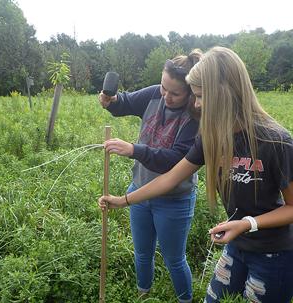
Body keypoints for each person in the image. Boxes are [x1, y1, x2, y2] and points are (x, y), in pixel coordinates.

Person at [99, 47, 293, 303]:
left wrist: (247, 224)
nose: (197, 104)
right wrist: (123, 200)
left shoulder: (275, 142)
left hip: (274, 252)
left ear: (224, 93)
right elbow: (170, 177)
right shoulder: (212, 137)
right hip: (237, 245)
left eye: (200, 96)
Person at [98, 49, 202, 303]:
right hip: (140, 190)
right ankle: (143, 295)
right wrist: (110, 101)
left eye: (174, 93)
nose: (165, 95)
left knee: (174, 259)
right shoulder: (156, 93)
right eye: (164, 88)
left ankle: (185, 299)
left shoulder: (195, 115)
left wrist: (134, 150)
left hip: (174, 198)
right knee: (142, 253)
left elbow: (175, 160)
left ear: (191, 93)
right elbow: (126, 102)